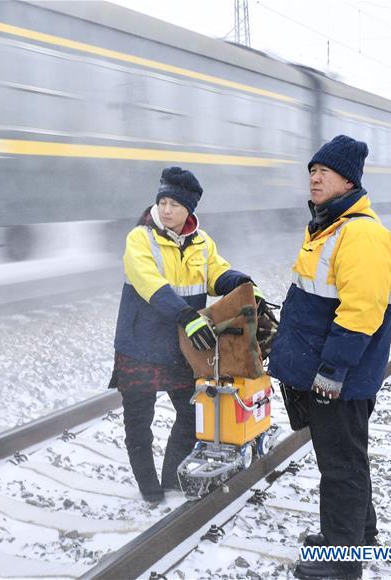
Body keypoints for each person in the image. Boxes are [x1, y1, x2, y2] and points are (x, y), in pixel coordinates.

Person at [269, 135, 391, 580]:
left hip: (339, 377)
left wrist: (332, 370)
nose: (315, 177)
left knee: (339, 466)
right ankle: (357, 535)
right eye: (312, 170)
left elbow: (361, 312)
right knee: (346, 458)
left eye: (325, 171)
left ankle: (342, 563)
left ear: (350, 179)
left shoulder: (361, 233)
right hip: (331, 372)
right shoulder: (330, 227)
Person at [110, 166, 262, 503]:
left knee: (192, 413)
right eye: (162, 202)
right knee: (138, 423)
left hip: (179, 347)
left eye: (174, 205)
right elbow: (149, 281)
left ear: (189, 210)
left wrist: (241, 283)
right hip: (139, 346)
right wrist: (186, 315)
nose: (166, 210)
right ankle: (149, 490)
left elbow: (216, 273)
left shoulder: (201, 242)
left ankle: (170, 479)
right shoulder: (140, 238)